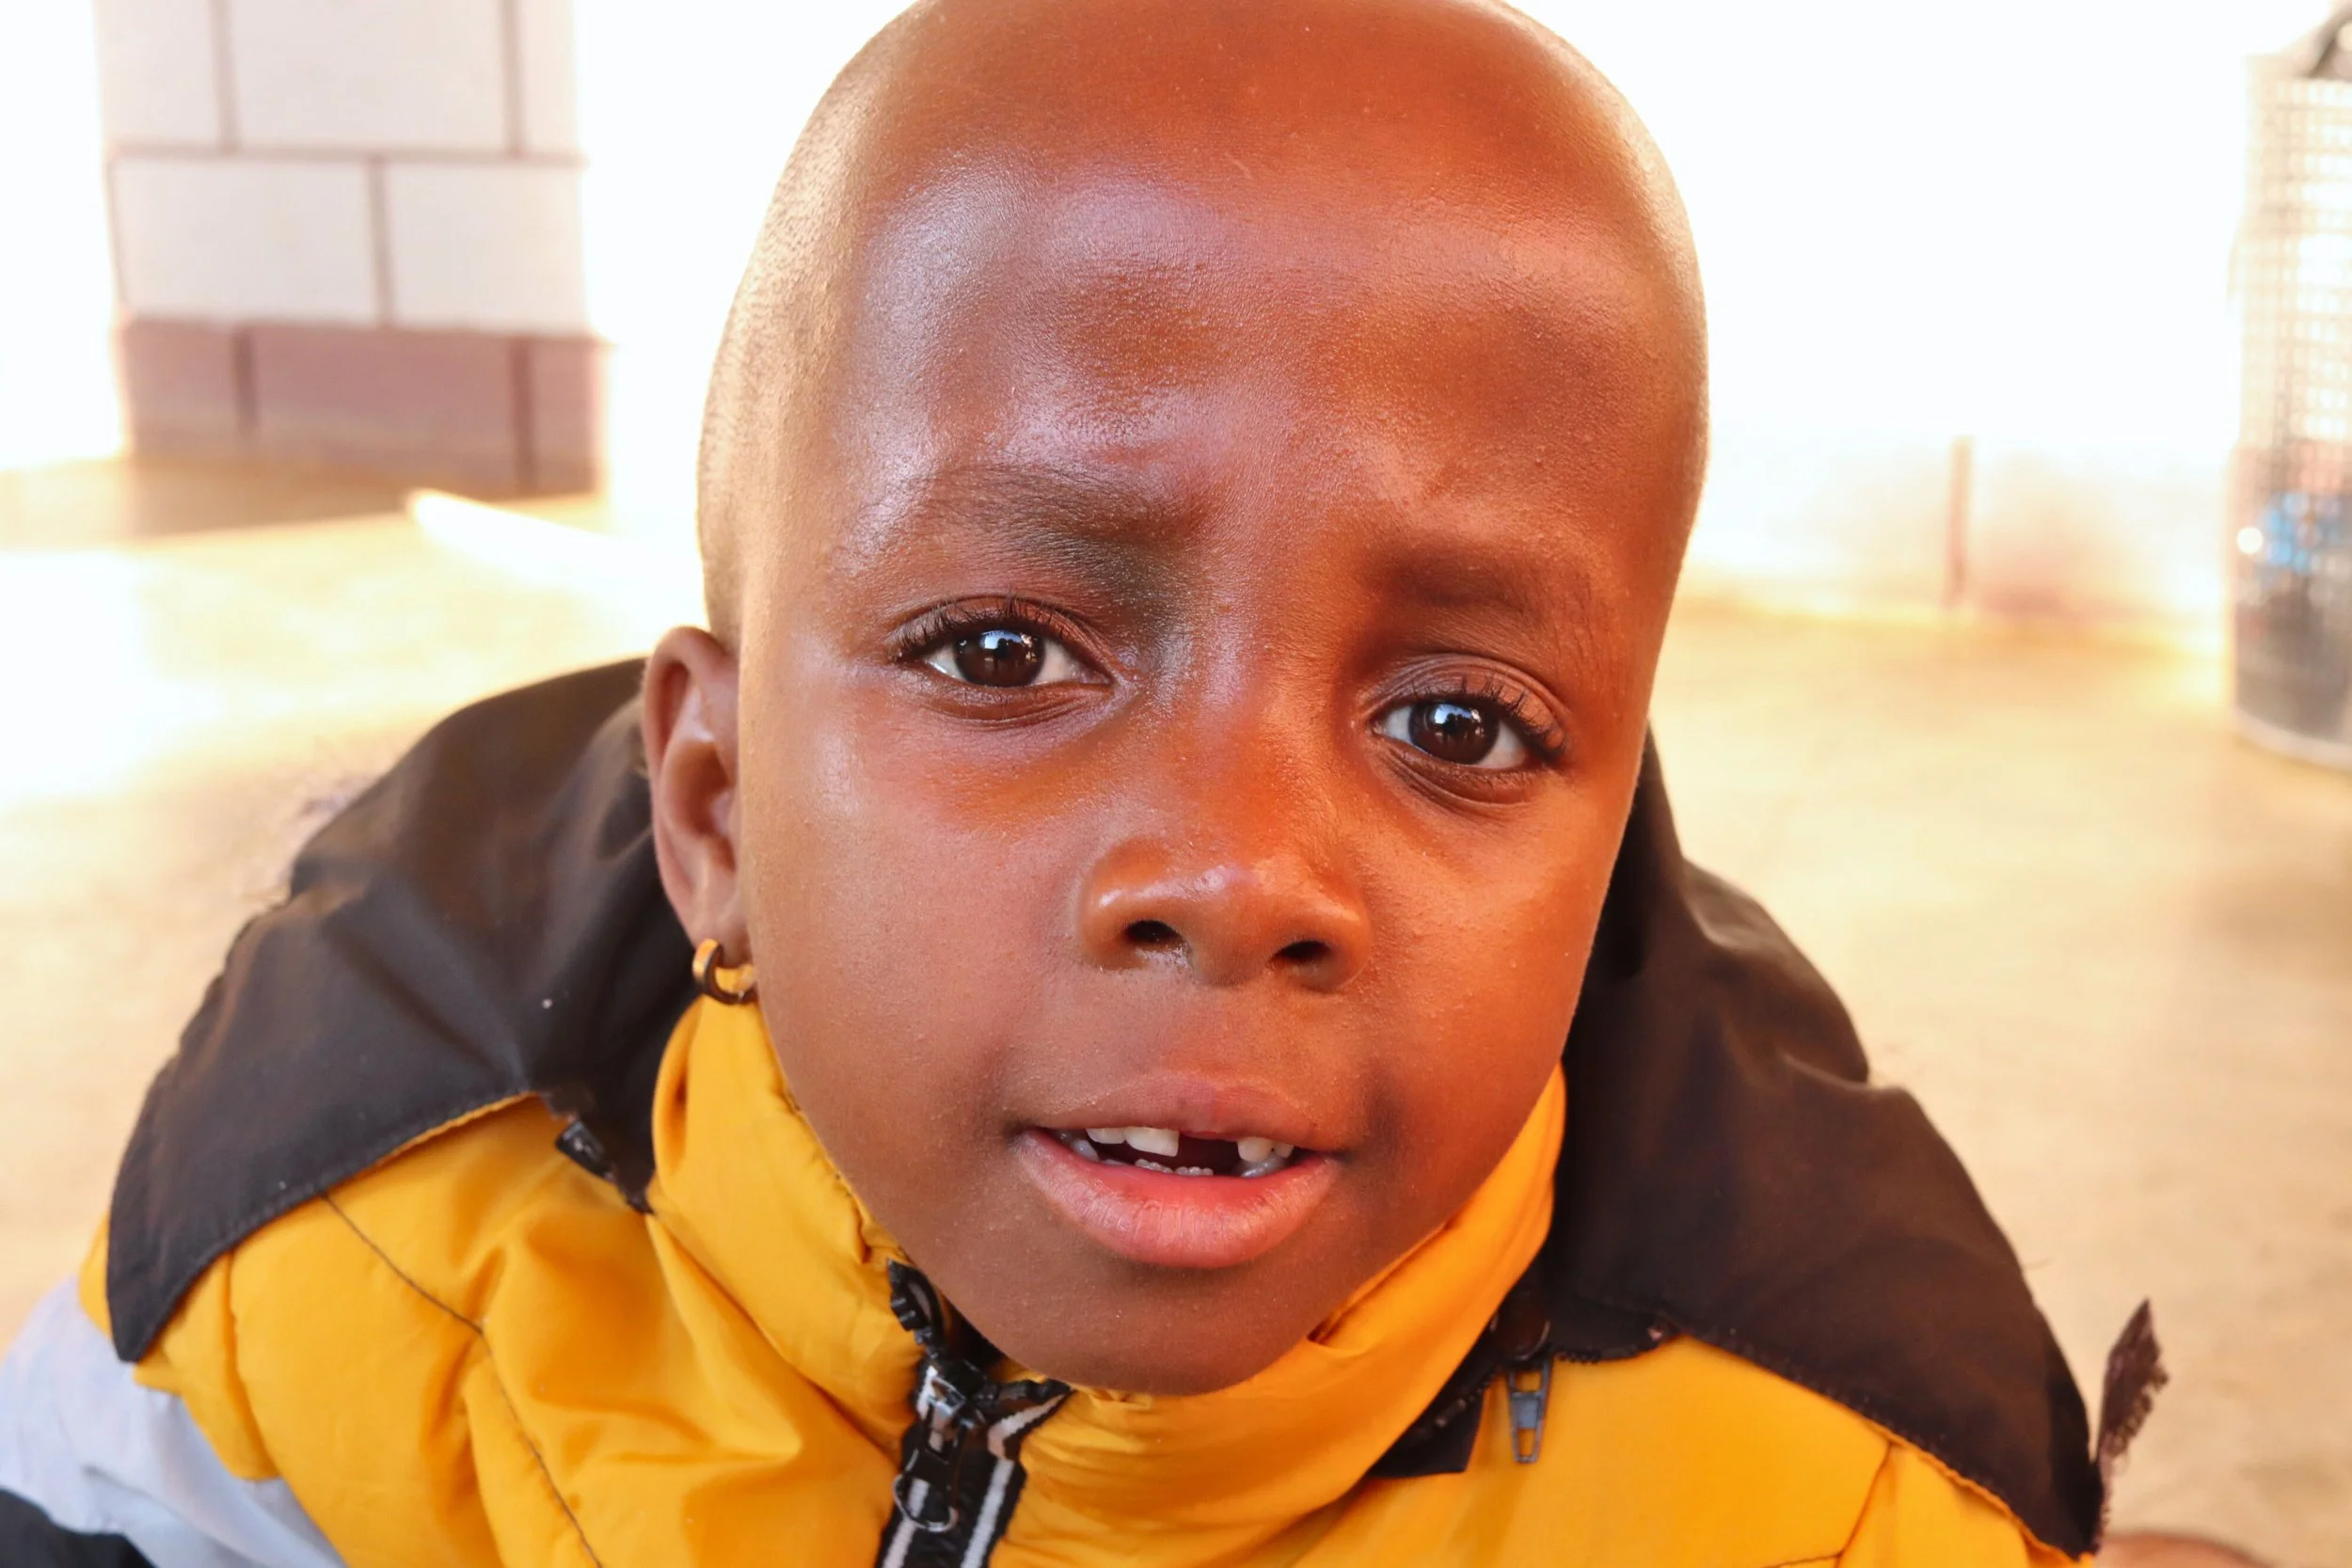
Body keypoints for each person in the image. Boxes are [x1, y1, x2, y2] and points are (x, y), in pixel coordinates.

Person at [0, 1, 2157, 1563]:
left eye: (1454, 723)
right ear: (718, 804)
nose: (1235, 871)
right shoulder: (330, 1221)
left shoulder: (1834, 1471)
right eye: (1004, 650)